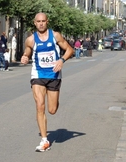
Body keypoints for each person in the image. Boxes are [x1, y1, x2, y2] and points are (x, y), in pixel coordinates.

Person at [21, 12, 74, 152]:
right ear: (34, 23)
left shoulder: (55, 35)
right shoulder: (30, 40)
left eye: (43, 21)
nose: (41, 23)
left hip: (54, 75)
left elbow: (69, 49)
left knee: (52, 110)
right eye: (38, 21)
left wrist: (62, 60)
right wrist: (25, 57)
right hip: (37, 74)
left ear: (47, 21)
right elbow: (27, 52)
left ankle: (55, 100)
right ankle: (44, 140)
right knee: (39, 105)